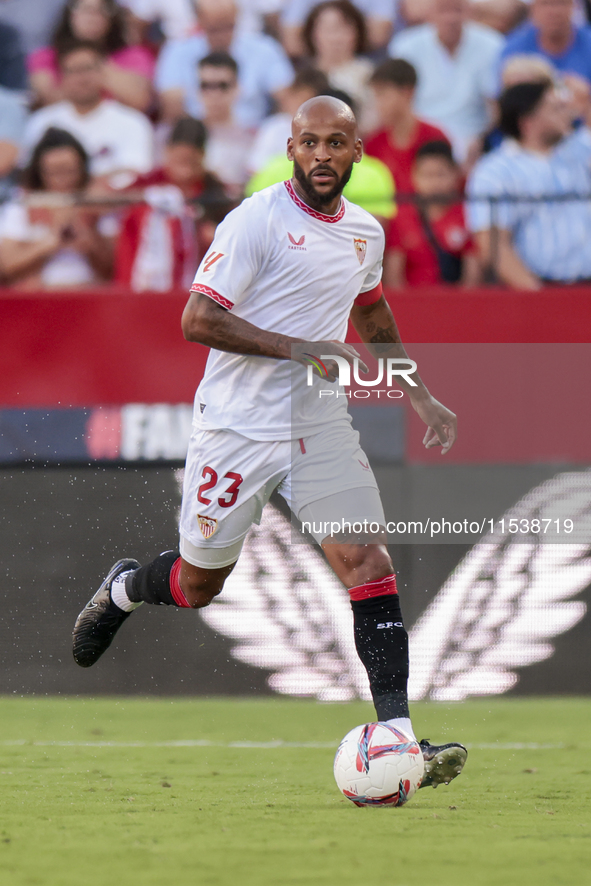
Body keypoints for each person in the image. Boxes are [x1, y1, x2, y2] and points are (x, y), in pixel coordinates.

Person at [72, 95, 467, 790]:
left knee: (366, 560)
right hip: (234, 428)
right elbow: (197, 319)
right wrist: (295, 349)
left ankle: (401, 737)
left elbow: (371, 313)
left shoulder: (365, 235)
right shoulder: (255, 219)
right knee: (199, 586)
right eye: (309, 142)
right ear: (291, 149)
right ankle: (127, 587)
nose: (321, 154)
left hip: (315, 425)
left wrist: (417, 391)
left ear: (356, 153)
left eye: (335, 143)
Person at [467, 80, 591, 287]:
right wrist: (537, 296)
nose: (566, 112)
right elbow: (493, 245)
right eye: (555, 108)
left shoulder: (582, 149)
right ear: (528, 122)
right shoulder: (494, 172)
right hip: (545, 289)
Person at [115, 116, 231, 290]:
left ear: (203, 157)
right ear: (167, 152)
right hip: (144, 280)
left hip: (196, 281)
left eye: (191, 162)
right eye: (180, 161)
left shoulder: (216, 191)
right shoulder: (147, 184)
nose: (185, 171)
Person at [389, 0, 504, 161]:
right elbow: (398, 101)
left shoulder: (492, 44)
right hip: (420, 138)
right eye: (443, 10)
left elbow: (495, 106)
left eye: (457, 10)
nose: (451, 18)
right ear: (430, 13)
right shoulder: (406, 46)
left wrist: (482, 141)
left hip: (473, 138)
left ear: (469, 12)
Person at [22, 42, 154, 183]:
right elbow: (30, 174)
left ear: (103, 73)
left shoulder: (132, 122)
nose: (82, 78)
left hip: (113, 202)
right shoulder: (41, 121)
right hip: (52, 202)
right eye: (72, 71)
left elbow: (135, 174)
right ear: (61, 78)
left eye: (87, 69)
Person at [0, 127, 114, 288]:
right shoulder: (22, 203)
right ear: (39, 172)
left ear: (82, 168)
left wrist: (89, 242)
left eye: (69, 171)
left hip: (90, 297)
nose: (62, 179)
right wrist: (50, 242)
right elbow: (7, 266)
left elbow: (116, 268)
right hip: (37, 299)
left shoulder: (99, 202)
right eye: (54, 172)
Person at [155, 0, 294, 124]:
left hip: (254, 136)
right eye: (215, 29)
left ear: (237, 18)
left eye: (229, 27)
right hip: (197, 134)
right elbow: (171, 105)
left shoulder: (264, 49)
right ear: (200, 21)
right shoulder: (177, 51)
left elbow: (287, 97)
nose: (222, 36)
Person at [27, 0, 155, 112]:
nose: (92, 18)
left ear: (111, 18)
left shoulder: (134, 55)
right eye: (85, 10)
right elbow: (48, 101)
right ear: (70, 15)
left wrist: (95, 62)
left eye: (100, 11)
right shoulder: (45, 56)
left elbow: (140, 101)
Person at [384, 140, 480, 287]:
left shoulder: (468, 215)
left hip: (455, 305)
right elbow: (394, 276)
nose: (434, 182)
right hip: (413, 305)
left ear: (455, 175)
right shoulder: (401, 218)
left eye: (440, 174)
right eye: (427, 175)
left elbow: (472, 277)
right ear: (413, 176)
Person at [365, 58, 451, 195]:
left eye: (383, 95)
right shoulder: (373, 143)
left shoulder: (435, 137)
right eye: (376, 96)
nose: (378, 105)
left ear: (407, 93)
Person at [301, 1, 376, 131]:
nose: (335, 38)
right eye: (328, 30)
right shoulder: (303, 77)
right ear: (312, 34)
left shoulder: (369, 74)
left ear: (358, 32)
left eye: (343, 29)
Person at [248, 68, 330, 174]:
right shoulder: (276, 127)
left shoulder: (331, 131)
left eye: (309, 102)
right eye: (300, 99)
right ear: (291, 95)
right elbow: (255, 167)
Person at [196, 52, 254, 190]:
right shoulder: (181, 133)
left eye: (222, 86)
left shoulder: (252, 138)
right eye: (206, 86)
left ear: (237, 88)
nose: (214, 94)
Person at [500, 0, 591, 84]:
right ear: (533, 9)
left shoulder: (588, 42)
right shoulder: (514, 49)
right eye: (546, 3)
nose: (555, 12)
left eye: (562, 3)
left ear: (574, 7)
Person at [281, 0, 398, 57]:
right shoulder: (307, 79)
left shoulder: (370, 77)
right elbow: (291, 43)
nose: (335, 38)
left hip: (365, 58)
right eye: (328, 30)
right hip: (313, 62)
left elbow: (378, 35)